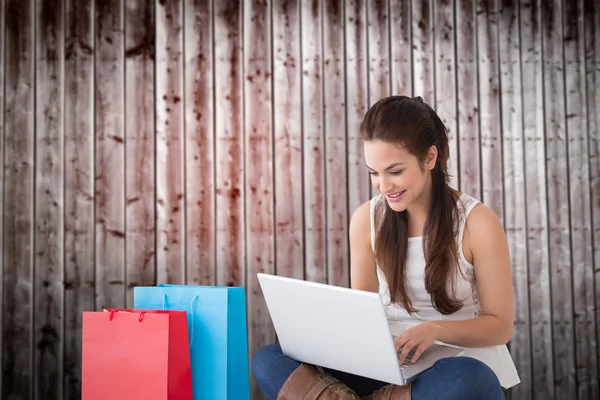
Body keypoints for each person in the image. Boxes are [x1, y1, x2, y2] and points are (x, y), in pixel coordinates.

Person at [251, 95, 520, 399]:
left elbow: (500, 327)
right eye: (374, 173)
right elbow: (363, 317)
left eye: (394, 171)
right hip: (385, 366)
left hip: (450, 365)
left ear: (430, 158)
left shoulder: (477, 222)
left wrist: (435, 330)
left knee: (471, 382)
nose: (383, 185)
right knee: (270, 359)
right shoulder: (366, 219)